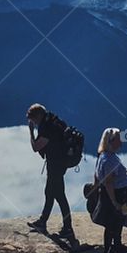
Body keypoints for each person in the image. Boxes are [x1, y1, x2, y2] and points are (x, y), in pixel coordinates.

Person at [26, 103, 75, 241]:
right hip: (60, 163)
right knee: (51, 192)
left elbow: (36, 147)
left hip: (56, 165)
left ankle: (67, 228)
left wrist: (31, 132)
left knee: (58, 195)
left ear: (38, 116)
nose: (34, 123)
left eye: (33, 120)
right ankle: (44, 222)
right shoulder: (53, 120)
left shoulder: (48, 127)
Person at [95, 127, 127, 253]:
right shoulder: (109, 159)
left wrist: (124, 172)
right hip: (117, 195)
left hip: (119, 193)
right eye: (118, 140)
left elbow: (103, 175)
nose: (121, 143)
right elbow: (109, 182)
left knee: (118, 221)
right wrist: (114, 202)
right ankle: (108, 252)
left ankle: (117, 246)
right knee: (112, 224)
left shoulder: (105, 155)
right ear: (111, 142)